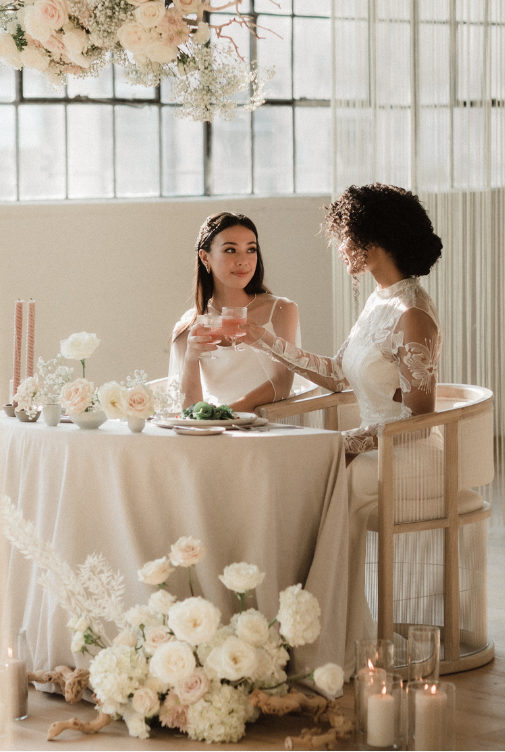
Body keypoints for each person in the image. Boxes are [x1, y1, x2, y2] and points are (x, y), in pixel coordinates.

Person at [236, 183, 444, 665]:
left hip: (407, 453)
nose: (341, 249)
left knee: (325, 481)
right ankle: (295, 625)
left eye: (345, 238)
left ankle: (336, 641)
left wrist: (350, 442)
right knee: (311, 475)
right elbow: (336, 373)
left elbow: (420, 415)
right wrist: (263, 340)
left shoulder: (412, 314)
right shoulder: (380, 301)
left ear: (372, 242)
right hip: (374, 447)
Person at [168, 212, 303, 412]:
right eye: (230, 250)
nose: (243, 260)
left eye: (251, 249)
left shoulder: (281, 310)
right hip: (215, 434)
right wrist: (191, 357)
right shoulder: (188, 328)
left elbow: (283, 383)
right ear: (205, 257)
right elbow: (190, 411)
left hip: (270, 428)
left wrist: (226, 414)